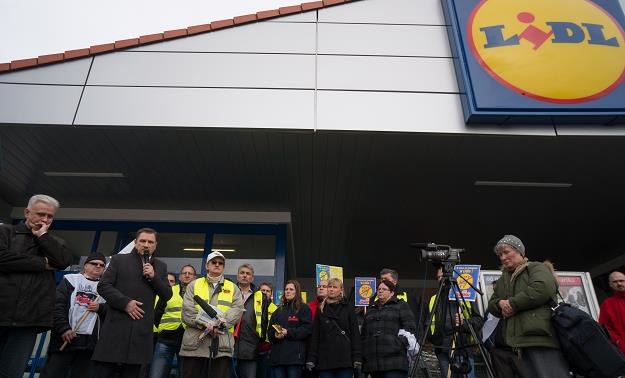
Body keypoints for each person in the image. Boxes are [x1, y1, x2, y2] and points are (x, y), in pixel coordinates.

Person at [0, 194, 72, 378]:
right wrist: (42, 263)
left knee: (11, 373)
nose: (45, 220)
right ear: (26, 212)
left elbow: (63, 261)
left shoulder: (55, 243)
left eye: (50, 217)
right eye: (41, 214)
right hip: (2, 311)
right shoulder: (5, 233)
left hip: (29, 320)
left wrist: (43, 237)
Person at [91, 228, 173, 377]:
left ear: (155, 245)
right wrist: (125, 303)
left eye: (150, 242)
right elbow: (103, 286)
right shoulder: (118, 260)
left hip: (140, 334)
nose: (146, 245)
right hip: (115, 330)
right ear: (135, 243)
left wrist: (154, 277)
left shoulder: (160, 267)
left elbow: (167, 294)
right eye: (142, 241)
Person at [487, 235, 569, 378]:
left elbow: (541, 288)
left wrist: (512, 304)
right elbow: (492, 302)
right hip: (517, 344)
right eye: (500, 254)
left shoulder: (536, 267)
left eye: (506, 252)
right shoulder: (502, 280)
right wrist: (500, 304)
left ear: (519, 251)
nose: (503, 257)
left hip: (540, 339)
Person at [41, 252, 108, 378]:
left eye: (102, 265)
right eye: (94, 263)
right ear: (86, 265)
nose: (98, 266)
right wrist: (64, 328)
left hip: (89, 346)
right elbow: (57, 305)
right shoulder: (70, 280)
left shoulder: (106, 288)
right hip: (66, 339)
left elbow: (112, 313)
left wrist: (101, 308)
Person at [179, 251, 244, 377]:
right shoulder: (193, 285)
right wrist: (205, 325)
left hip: (221, 346)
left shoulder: (233, 288)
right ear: (207, 266)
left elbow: (237, 310)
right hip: (194, 346)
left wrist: (218, 325)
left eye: (220, 263)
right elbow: (187, 312)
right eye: (214, 262)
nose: (217, 265)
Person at [426, 265, 483, 378]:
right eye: (438, 277)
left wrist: (464, 322)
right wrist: (433, 339)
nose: (441, 280)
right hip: (442, 349)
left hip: (463, 348)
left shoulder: (465, 296)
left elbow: (479, 321)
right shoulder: (434, 298)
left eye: (443, 276)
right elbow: (428, 323)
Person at [306, 278, 361, 378]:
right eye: (330, 286)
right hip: (325, 359)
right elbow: (315, 335)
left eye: (334, 287)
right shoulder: (321, 309)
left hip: (344, 358)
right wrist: (311, 358)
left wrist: (356, 356)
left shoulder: (348, 307)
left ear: (341, 290)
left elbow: (355, 333)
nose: (331, 289)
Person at [361, 279, 416, 378]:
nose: (380, 291)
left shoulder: (401, 305)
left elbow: (410, 328)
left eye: (384, 289)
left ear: (392, 292)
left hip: (395, 360)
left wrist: (397, 344)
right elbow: (364, 333)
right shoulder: (371, 309)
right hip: (373, 363)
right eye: (378, 289)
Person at [150, 265, 197, 378]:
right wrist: (163, 329)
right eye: (184, 273)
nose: (186, 275)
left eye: (189, 273)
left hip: (188, 342)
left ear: (195, 278)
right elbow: (157, 313)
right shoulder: (169, 290)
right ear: (180, 276)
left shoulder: (199, 294)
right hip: (166, 340)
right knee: (157, 374)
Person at [233, 264, 277, 378]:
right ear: (237, 276)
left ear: (252, 278)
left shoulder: (260, 297)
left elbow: (264, 321)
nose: (244, 275)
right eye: (242, 273)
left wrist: (260, 341)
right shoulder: (228, 291)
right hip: (227, 345)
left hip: (250, 347)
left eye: (248, 274)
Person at [268, 280, 313, 378]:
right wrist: (275, 335)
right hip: (278, 358)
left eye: (291, 289)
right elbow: (270, 332)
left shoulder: (304, 308)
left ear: (297, 292)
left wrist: (288, 332)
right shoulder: (278, 311)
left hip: (295, 359)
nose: (288, 291)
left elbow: (307, 330)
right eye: (286, 289)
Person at [378, 268, 424, 334]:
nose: (383, 282)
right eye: (381, 279)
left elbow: (414, 321)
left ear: (395, 281)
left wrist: (404, 341)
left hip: (399, 340)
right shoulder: (375, 297)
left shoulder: (408, 297)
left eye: (386, 279)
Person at [599, 270, 625, 354]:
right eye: (615, 282)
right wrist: (618, 342)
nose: (619, 284)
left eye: (621, 281)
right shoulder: (607, 304)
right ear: (610, 284)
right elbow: (605, 328)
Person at [257, 282, 277, 378]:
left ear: (271, 294)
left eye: (268, 291)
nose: (265, 292)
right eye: (263, 290)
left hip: (268, 349)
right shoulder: (253, 306)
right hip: (253, 347)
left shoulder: (276, 309)